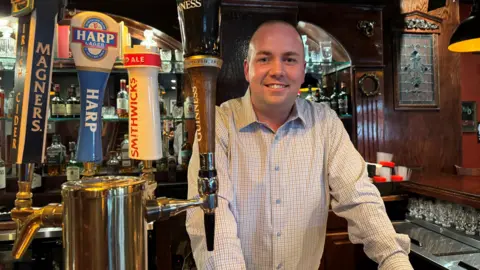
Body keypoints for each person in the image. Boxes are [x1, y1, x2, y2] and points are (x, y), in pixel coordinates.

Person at [186, 20, 413, 270]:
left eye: (290, 59)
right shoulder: (218, 124)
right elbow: (213, 215)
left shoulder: (325, 122)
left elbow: (359, 197)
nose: (277, 70)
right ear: (247, 69)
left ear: (303, 71)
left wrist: (394, 259)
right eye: (264, 59)